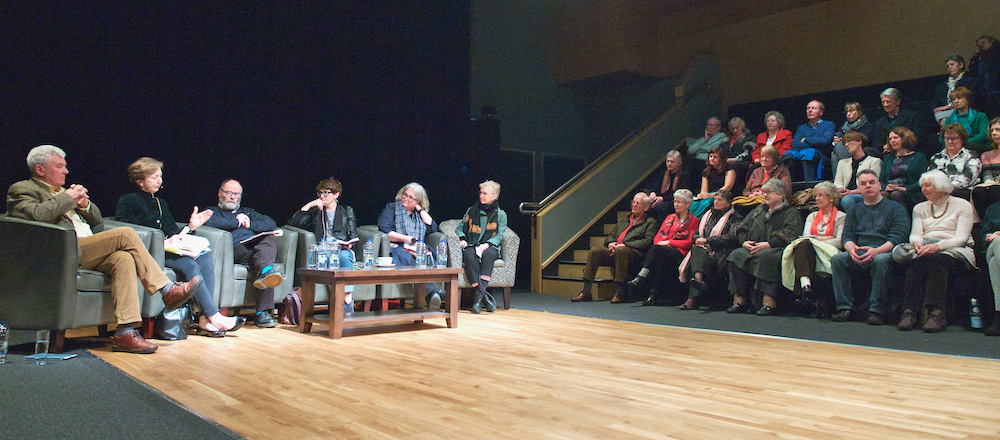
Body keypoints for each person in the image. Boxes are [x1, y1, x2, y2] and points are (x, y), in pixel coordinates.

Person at [7, 145, 200, 353]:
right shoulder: (22, 189)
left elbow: (97, 219)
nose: (66, 171)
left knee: (123, 258)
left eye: (65, 166)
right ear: (40, 170)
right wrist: (67, 198)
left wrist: (83, 204)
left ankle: (125, 332)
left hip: (85, 249)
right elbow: (36, 215)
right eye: (59, 166)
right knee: (126, 234)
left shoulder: (63, 192)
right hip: (60, 253)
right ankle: (166, 289)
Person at [116, 157, 245, 337]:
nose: (159, 181)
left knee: (204, 258)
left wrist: (190, 227)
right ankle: (214, 316)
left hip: (170, 248)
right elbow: (128, 233)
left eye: (160, 177)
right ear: (140, 181)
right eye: (154, 177)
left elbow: (171, 231)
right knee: (189, 264)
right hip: (148, 251)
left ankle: (204, 319)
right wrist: (162, 243)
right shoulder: (127, 201)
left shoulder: (162, 203)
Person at [895, 170, 975, 332]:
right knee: (916, 259)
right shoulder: (920, 208)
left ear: (940, 186)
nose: (923, 189)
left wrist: (937, 247)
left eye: (928, 185)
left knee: (935, 258)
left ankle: (937, 313)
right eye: (922, 186)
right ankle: (910, 311)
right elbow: (916, 233)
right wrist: (917, 244)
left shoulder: (963, 205)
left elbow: (961, 238)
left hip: (955, 250)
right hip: (926, 247)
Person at [830, 170, 910, 325]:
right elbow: (847, 236)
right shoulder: (854, 209)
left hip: (884, 251)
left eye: (872, 182)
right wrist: (851, 248)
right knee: (837, 259)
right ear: (858, 189)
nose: (868, 186)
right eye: (863, 184)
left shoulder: (895, 208)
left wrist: (876, 251)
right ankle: (844, 307)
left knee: (880, 260)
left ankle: (877, 310)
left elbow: (898, 237)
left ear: (879, 185)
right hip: (859, 250)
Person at [203, 179, 284, 328]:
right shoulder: (213, 211)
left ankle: (265, 273)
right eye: (229, 193)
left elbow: (270, 223)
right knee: (263, 258)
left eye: (236, 194)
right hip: (233, 250)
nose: (233, 197)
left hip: (253, 249)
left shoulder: (247, 212)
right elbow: (209, 223)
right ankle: (262, 313)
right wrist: (236, 222)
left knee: (267, 241)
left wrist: (250, 224)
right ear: (220, 193)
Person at [726, 178, 802, 316]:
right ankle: (739, 300)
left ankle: (768, 302)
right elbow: (741, 227)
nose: (765, 195)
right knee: (736, 255)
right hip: (754, 248)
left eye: (769, 192)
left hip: (777, 249)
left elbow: (791, 233)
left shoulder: (791, 212)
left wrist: (769, 244)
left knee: (766, 257)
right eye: (764, 192)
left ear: (780, 194)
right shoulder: (758, 211)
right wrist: (744, 242)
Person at [287, 176, 359, 313]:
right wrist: (309, 205)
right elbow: (293, 223)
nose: (322, 196)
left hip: (341, 249)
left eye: (326, 192)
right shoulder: (316, 211)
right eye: (320, 193)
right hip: (322, 249)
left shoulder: (346, 210)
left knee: (344, 257)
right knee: (321, 256)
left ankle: (347, 298)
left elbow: (353, 235)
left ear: (336, 194)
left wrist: (349, 245)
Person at [571, 192, 658, 304]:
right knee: (594, 251)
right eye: (633, 202)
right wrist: (611, 243)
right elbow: (611, 236)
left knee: (620, 250)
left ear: (646, 207)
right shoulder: (623, 220)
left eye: (638, 203)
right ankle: (586, 290)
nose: (634, 205)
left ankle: (621, 291)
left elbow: (647, 241)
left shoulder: (650, 222)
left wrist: (625, 245)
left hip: (634, 253)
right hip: (616, 250)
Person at [780, 182, 846, 317]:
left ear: (832, 198)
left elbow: (839, 242)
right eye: (816, 196)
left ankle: (803, 287)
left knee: (803, 247)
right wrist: (821, 239)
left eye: (821, 195)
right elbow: (806, 237)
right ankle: (806, 286)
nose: (817, 199)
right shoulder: (812, 216)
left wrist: (820, 240)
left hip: (830, 251)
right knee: (802, 246)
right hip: (811, 250)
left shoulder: (841, 217)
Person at [377, 182, 447, 308]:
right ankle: (434, 292)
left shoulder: (418, 214)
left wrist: (420, 209)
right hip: (396, 247)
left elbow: (433, 228)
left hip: (416, 247)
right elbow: (384, 230)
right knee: (410, 259)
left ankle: (432, 295)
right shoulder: (392, 208)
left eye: (411, 197)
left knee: (434, 257)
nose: (406, 198)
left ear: (418, 201)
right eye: (405, 195)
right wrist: (405, 238)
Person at [627, 189, 700, 306]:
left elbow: (688, 242)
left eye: (679, 202)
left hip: (680, 251)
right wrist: (664, 243)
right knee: (658, 256)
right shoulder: (669, 217)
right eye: (675, 201)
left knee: (657, 250)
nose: (675, 204)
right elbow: (657, 238)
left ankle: (642, 277)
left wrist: (669, 242)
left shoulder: (694, 221)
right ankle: (653, 294)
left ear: (688, 204)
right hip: (663, 250)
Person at [678, 190, 742, 311]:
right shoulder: (708, 215)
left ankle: (693, 297)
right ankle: (698, 280)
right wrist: (698, 239)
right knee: (696, 249)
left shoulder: (735, 218)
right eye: (715, 199)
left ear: (728, 203)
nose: (716, 202)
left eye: (720, 200)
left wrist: (708, 241)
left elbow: (733, 237)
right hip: (704, 249)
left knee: (698, 254)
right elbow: (696, 233)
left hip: (722, 251)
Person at [454, 180, 507, 314]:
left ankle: (477, 299)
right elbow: (460, 228)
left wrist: (487, 244)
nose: (481, 196)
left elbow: (499, 236)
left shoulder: (501, 214)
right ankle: (483, 298)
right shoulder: (472, 210)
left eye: (485, 193)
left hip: (491, 246)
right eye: (480, 193)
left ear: (494, 196)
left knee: (489, 254)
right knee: (468, 255)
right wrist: (462, 238)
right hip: (473, 243)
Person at [782, 100, 836, 181]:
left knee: (807, 153)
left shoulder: (828, 125)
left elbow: (825, 141)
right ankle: (788, 184)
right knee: (789, 154)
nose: (810, 110)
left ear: (821, 112)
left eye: (813, 108)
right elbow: (795, 144)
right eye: (808, 108)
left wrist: (806, 139)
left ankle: (809, 184)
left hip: (821, 155)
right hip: (802, 152)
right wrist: (814, 143)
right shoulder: (801, 127)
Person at [880, 126, 929, 211]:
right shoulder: (888, 159)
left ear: (905, 138)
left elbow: (923, 180)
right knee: (883, 194)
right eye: (890, 139)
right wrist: (886, 187)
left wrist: (905, 188)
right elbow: (881, 180)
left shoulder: (919, 157)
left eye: (895, 138)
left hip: (911, 192)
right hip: (891, 191)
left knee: (896, 194)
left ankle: (903, 222)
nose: (892, 141)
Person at [929, 123, 981, 200]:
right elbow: (930, 178)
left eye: (953, 138)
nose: (950, 141)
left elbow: (966, 180)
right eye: (947, 138)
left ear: (962, 139)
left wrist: (943, 187)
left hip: (961, 194)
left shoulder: (971, 157)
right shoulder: (936, 158)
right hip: (938, 193)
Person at [873, 88, 930, 156]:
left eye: (888, 101)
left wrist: (897, 145)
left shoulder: (912, 116)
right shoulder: (879, 123)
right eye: (883, 102)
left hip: (912, 154)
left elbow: (919, 137)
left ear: (898, 102)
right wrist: (885, 147)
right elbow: (876, 142)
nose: (885, 105)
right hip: (889, 156)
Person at [834, 132, 882, 213]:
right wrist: (841, 191)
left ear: (859, 141)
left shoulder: (874, 161)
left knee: (847, 200)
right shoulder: (842, 163)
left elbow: (873, 184)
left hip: (864, 194)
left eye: (849, 141)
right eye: (845, 143)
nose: (846, 145)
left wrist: (851, 192)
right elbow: (838, 183)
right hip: (846, 194)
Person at [645, 150, 697, 220]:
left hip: (674, 201)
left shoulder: (685, 175)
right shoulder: (663, 174)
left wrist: (663, 198)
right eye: (668, 161)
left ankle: (664, 228)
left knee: (661, 206)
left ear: (679, 163)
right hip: (661, 199)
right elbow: (657, 189)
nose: (669, 164)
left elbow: (681, 194)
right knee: (645, 204)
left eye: (672, 162)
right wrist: (653, 193)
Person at [939, 87, 990, 153]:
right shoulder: (949, 119)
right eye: (953, 99)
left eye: (959, 98)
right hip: (955, 149)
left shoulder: (980, 116)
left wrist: (963, 142)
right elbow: (941, 138)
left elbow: (984, 134)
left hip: (977, 148)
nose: (956, 101)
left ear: (967, 99)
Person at [689, 147, 736, 217]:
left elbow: (727, 187)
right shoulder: (706, 171)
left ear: (721, 159)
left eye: (715, 157)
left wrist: (712, 195)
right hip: (709, 195)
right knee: (692, 203)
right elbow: (704, 190)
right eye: (711, 156)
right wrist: (702, 195)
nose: (712, 159)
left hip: (722, 195)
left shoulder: (729, 169)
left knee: (707, 203)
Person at [933, 55, 979, 123]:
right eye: (948, 66)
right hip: (947, 112)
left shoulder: (970, 81)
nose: (950, 67)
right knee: (938, 115)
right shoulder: (941, 86)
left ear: (961, 65)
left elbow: (970, 98)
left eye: (952, 64)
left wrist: (948, 106)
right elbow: (936, 102)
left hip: (965, 109)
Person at [972, 118, 1000, 218]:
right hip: (994, 186)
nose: (994, 133)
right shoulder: (986, 155)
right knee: (979, 191)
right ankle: (987, 224)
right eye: (992, 130)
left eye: (998, 130)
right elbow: (988, 178)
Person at [981, 200, 1000, 336]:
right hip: (994, 246)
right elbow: (984, 234)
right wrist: (988, 237)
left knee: (994, 262)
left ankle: (998, 318)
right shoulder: (993, 208)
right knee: (997, 243)